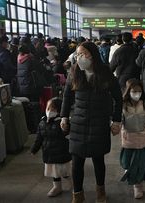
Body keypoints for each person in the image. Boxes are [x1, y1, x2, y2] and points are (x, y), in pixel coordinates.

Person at [60, 41, 122, 203]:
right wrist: (64, 116)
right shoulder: (74, 72)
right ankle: (77, 194)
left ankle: (100, 192)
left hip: (99, 121)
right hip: (78, 122)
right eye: (78, 54)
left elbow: (118, 97)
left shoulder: (105, 72)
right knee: (77, 162)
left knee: (98, 160)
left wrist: (116, 120)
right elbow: (67, 96)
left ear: (93, 55)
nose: (81, 58)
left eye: (84, 54)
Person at [119, 79, 145, 199]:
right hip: (128, 140)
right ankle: (129, 171)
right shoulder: (124, 106)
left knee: (139, 165)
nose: (137, 93)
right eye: (134, 91)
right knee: (126, 162)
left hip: (142, 141)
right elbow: (119, 120)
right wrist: (115, 127)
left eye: (139, 91)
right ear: (128, 91)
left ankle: (138, 186)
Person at [30, 97, 72, 197]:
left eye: (53, 109)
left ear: (59, 110)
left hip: (61, 153)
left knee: (64, 171)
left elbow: (67, 133)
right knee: (54, 172)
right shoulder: (42, 123)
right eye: (48, 109)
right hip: (49, 153)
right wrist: (34, 149)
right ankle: (57, 187)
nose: (49, 111)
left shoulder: (61, 122)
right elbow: (39, 138)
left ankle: (72, 184)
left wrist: (66, 126)